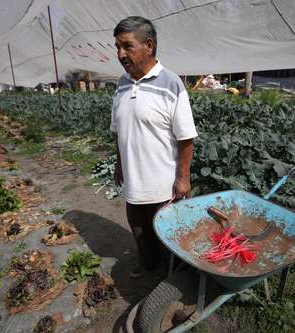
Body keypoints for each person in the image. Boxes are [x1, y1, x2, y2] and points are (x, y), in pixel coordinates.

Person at [111, 16, 198, 278]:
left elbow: (186, 138)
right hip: (134, 183)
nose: (120, 54)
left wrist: (183, 178)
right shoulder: (121, 83)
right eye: (117, 47)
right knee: (139, 230)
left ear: (149, 45)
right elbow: (119, 130)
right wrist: (118, 162)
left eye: (127, 46)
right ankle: (149, 266)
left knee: (168, 236)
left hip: (163, 186)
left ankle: (175, 280)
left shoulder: (171, 83)